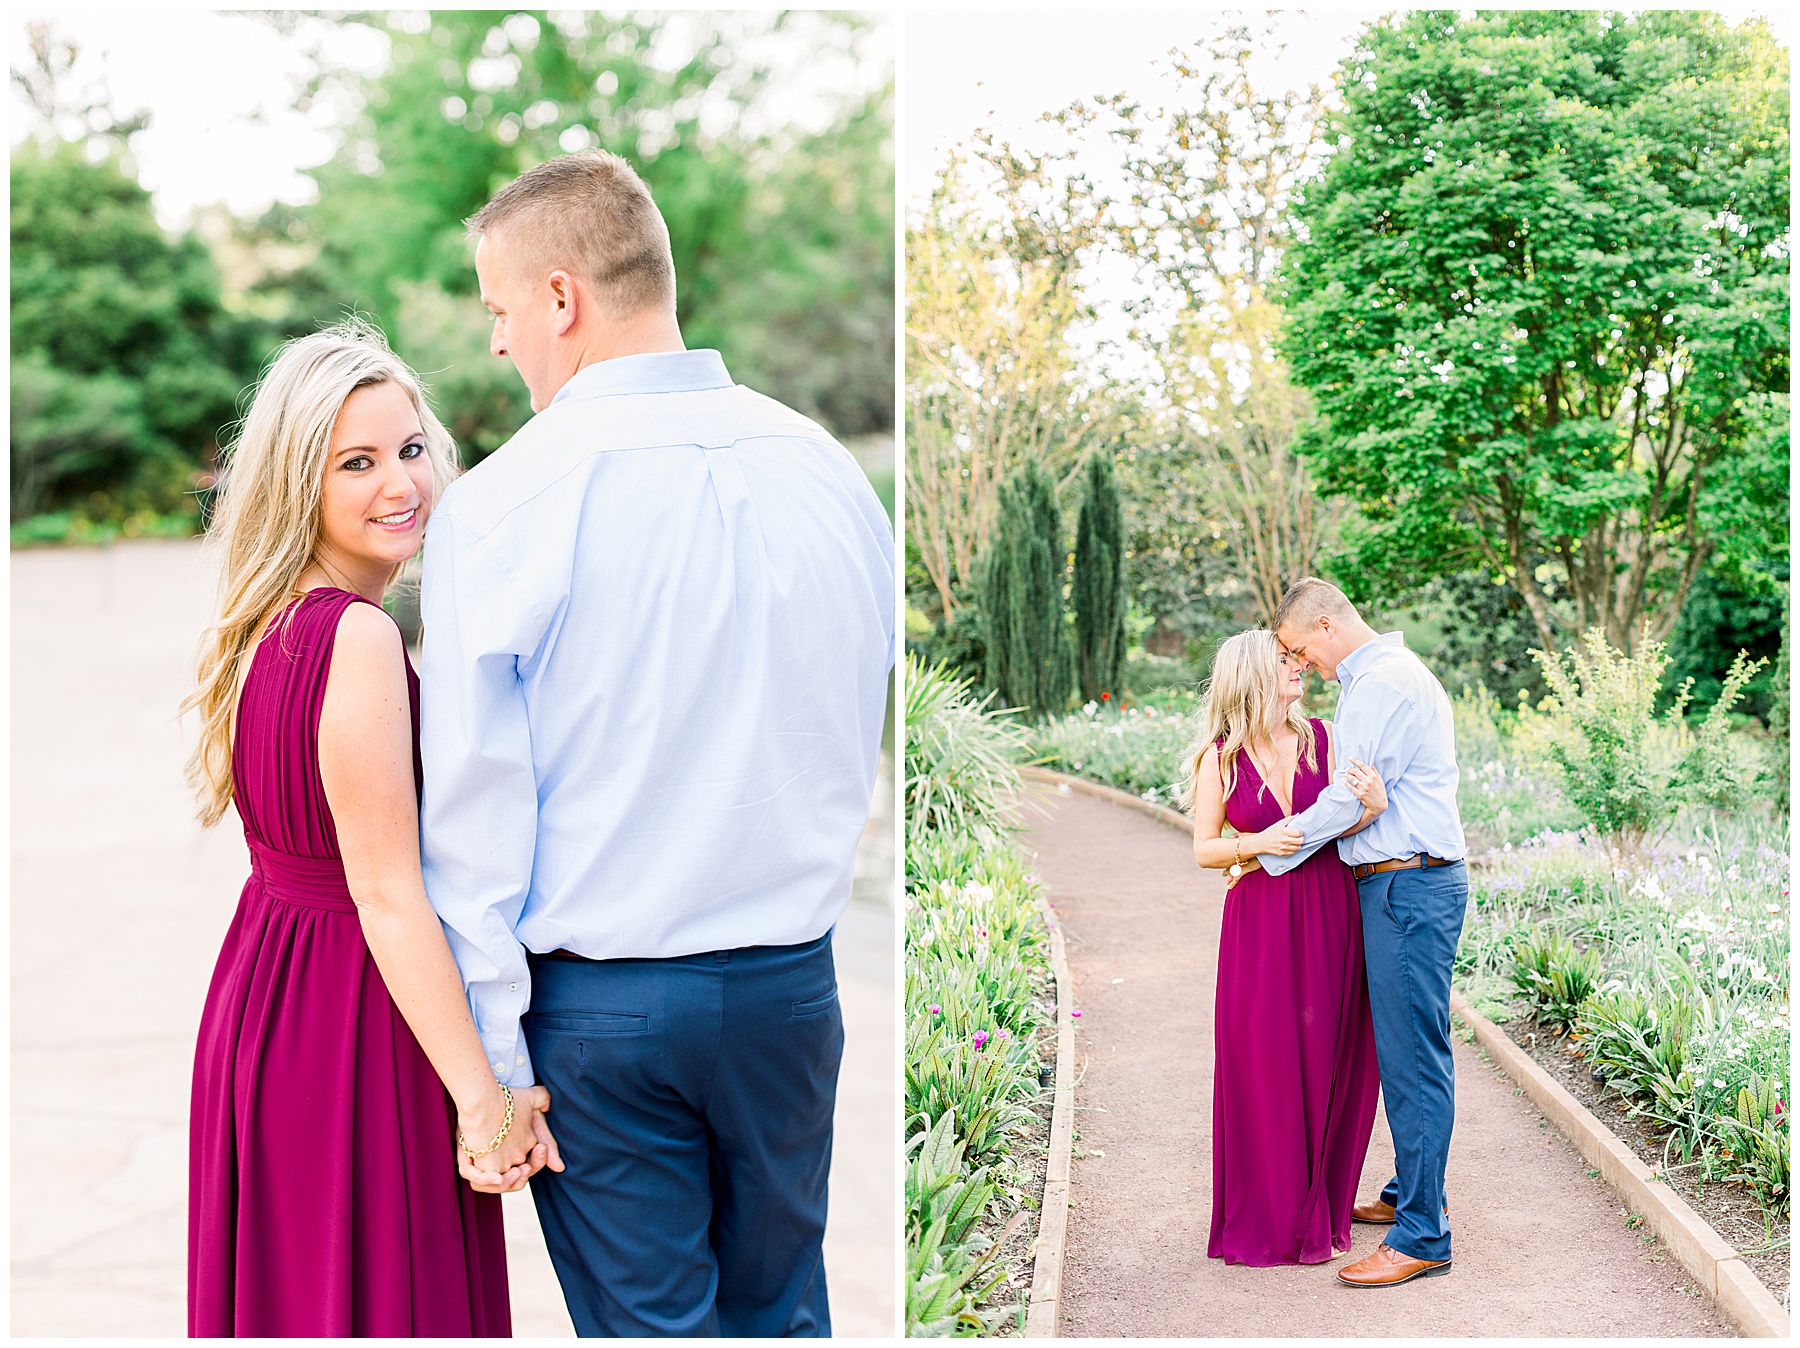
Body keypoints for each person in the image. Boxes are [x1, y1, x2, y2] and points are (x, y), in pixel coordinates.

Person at [418, 150, 895, 1337]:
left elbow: (475, 813)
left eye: (500, 311)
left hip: (604, 1020)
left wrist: (492, 1064)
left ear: (563, 300)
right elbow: (864, 702)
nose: (497, 344)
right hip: (792, 990)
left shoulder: (507, 502)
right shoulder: (829, 471)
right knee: (784, 1318)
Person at [184, 324, 564, 1337]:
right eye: (355, 462)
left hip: (267, 998)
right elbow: (388, 895)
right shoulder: (353, 636)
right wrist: (488, 1104)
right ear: (295, 480)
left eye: (407, 449)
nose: (401, 482)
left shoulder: (269, 624)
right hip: (350, 1025)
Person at [1264, 577, 1468, 1289]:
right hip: (1400, 881)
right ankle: (1415, 1192)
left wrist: (1269, 846)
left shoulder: (1382, 682)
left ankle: (1423, 1234)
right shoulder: (1377, 679)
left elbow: (1349, 798)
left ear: (1325, 625)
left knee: (1412, 1059)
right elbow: (1362, 796)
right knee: (1405, 1050)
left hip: (1407, 883)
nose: (1301, 665)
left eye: (1297, 649)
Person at [1185, 629, 1388, 1267]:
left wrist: (1374, 808)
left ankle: (1321, 1212)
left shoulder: (1325, 741)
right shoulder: (1217, 758)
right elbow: (1204, 848)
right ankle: (1268, 1216)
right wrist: (1255, 845)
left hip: (1330, 911)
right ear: (1251, 676)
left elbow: (1345, 817)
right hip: (1259, 926)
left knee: (1327, 1056)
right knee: (1264, 1059)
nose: (1299, 667)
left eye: (1298, 659)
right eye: (1284, 662)